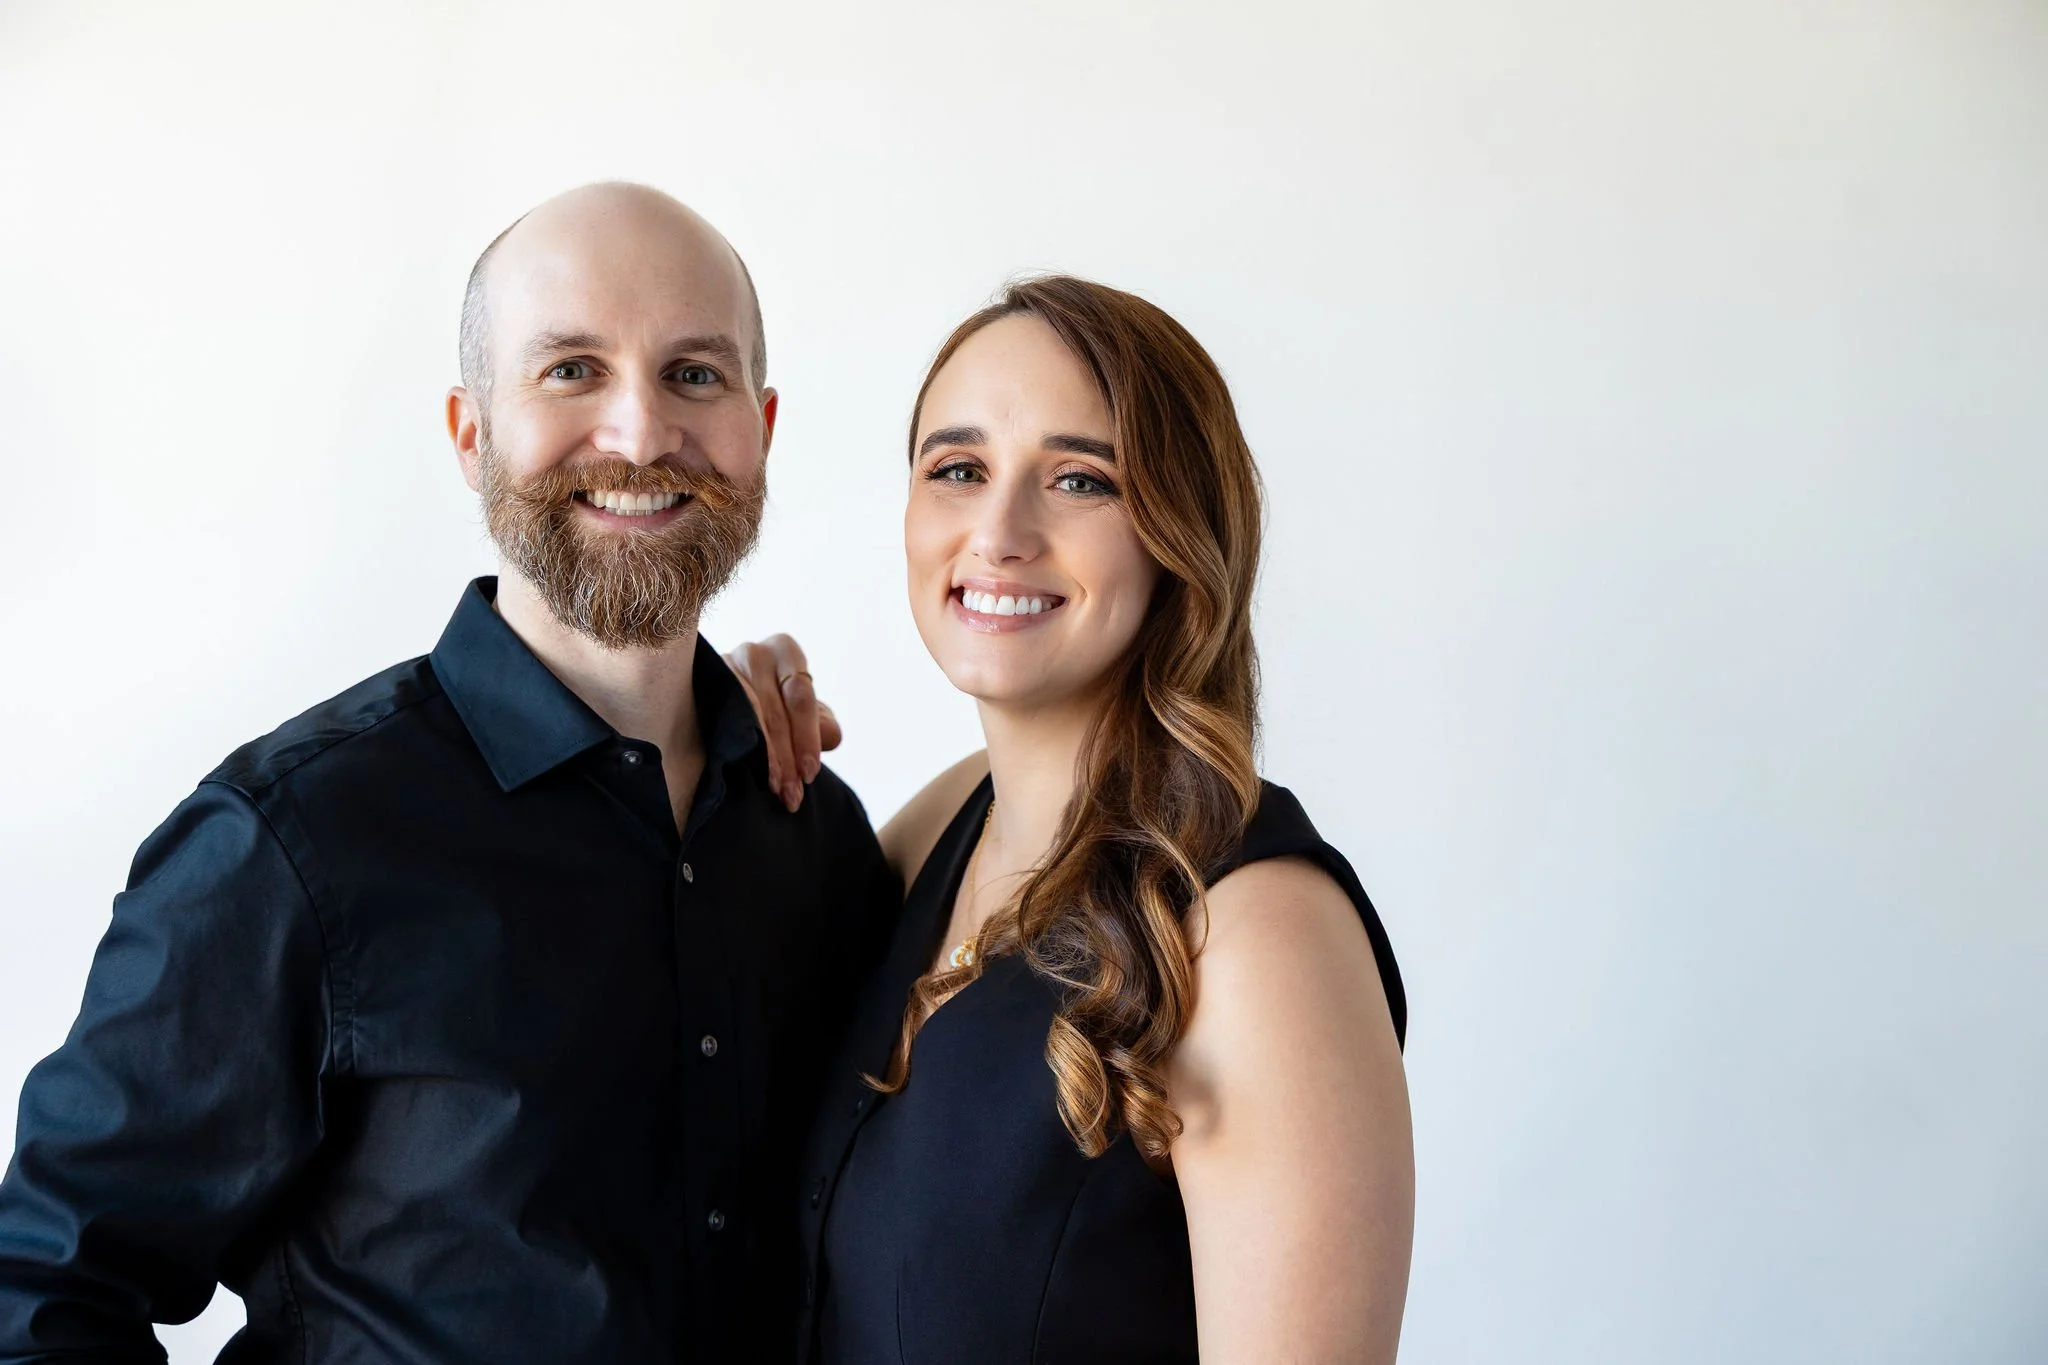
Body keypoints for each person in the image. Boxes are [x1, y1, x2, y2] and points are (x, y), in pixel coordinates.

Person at [0, 182, 890, 1364]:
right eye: (570, 370)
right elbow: (37, 1304)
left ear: (760, 428)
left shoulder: (816, 839)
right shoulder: (290, 843)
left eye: (693, 374)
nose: (638, 435)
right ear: (472, 435)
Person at [755, 276, 1414, 1362]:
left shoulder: (1261, 935)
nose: (999, 532)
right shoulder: (943, 823)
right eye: (958, 469)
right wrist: (717, 713)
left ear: (1179, 533)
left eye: (1078, 480)